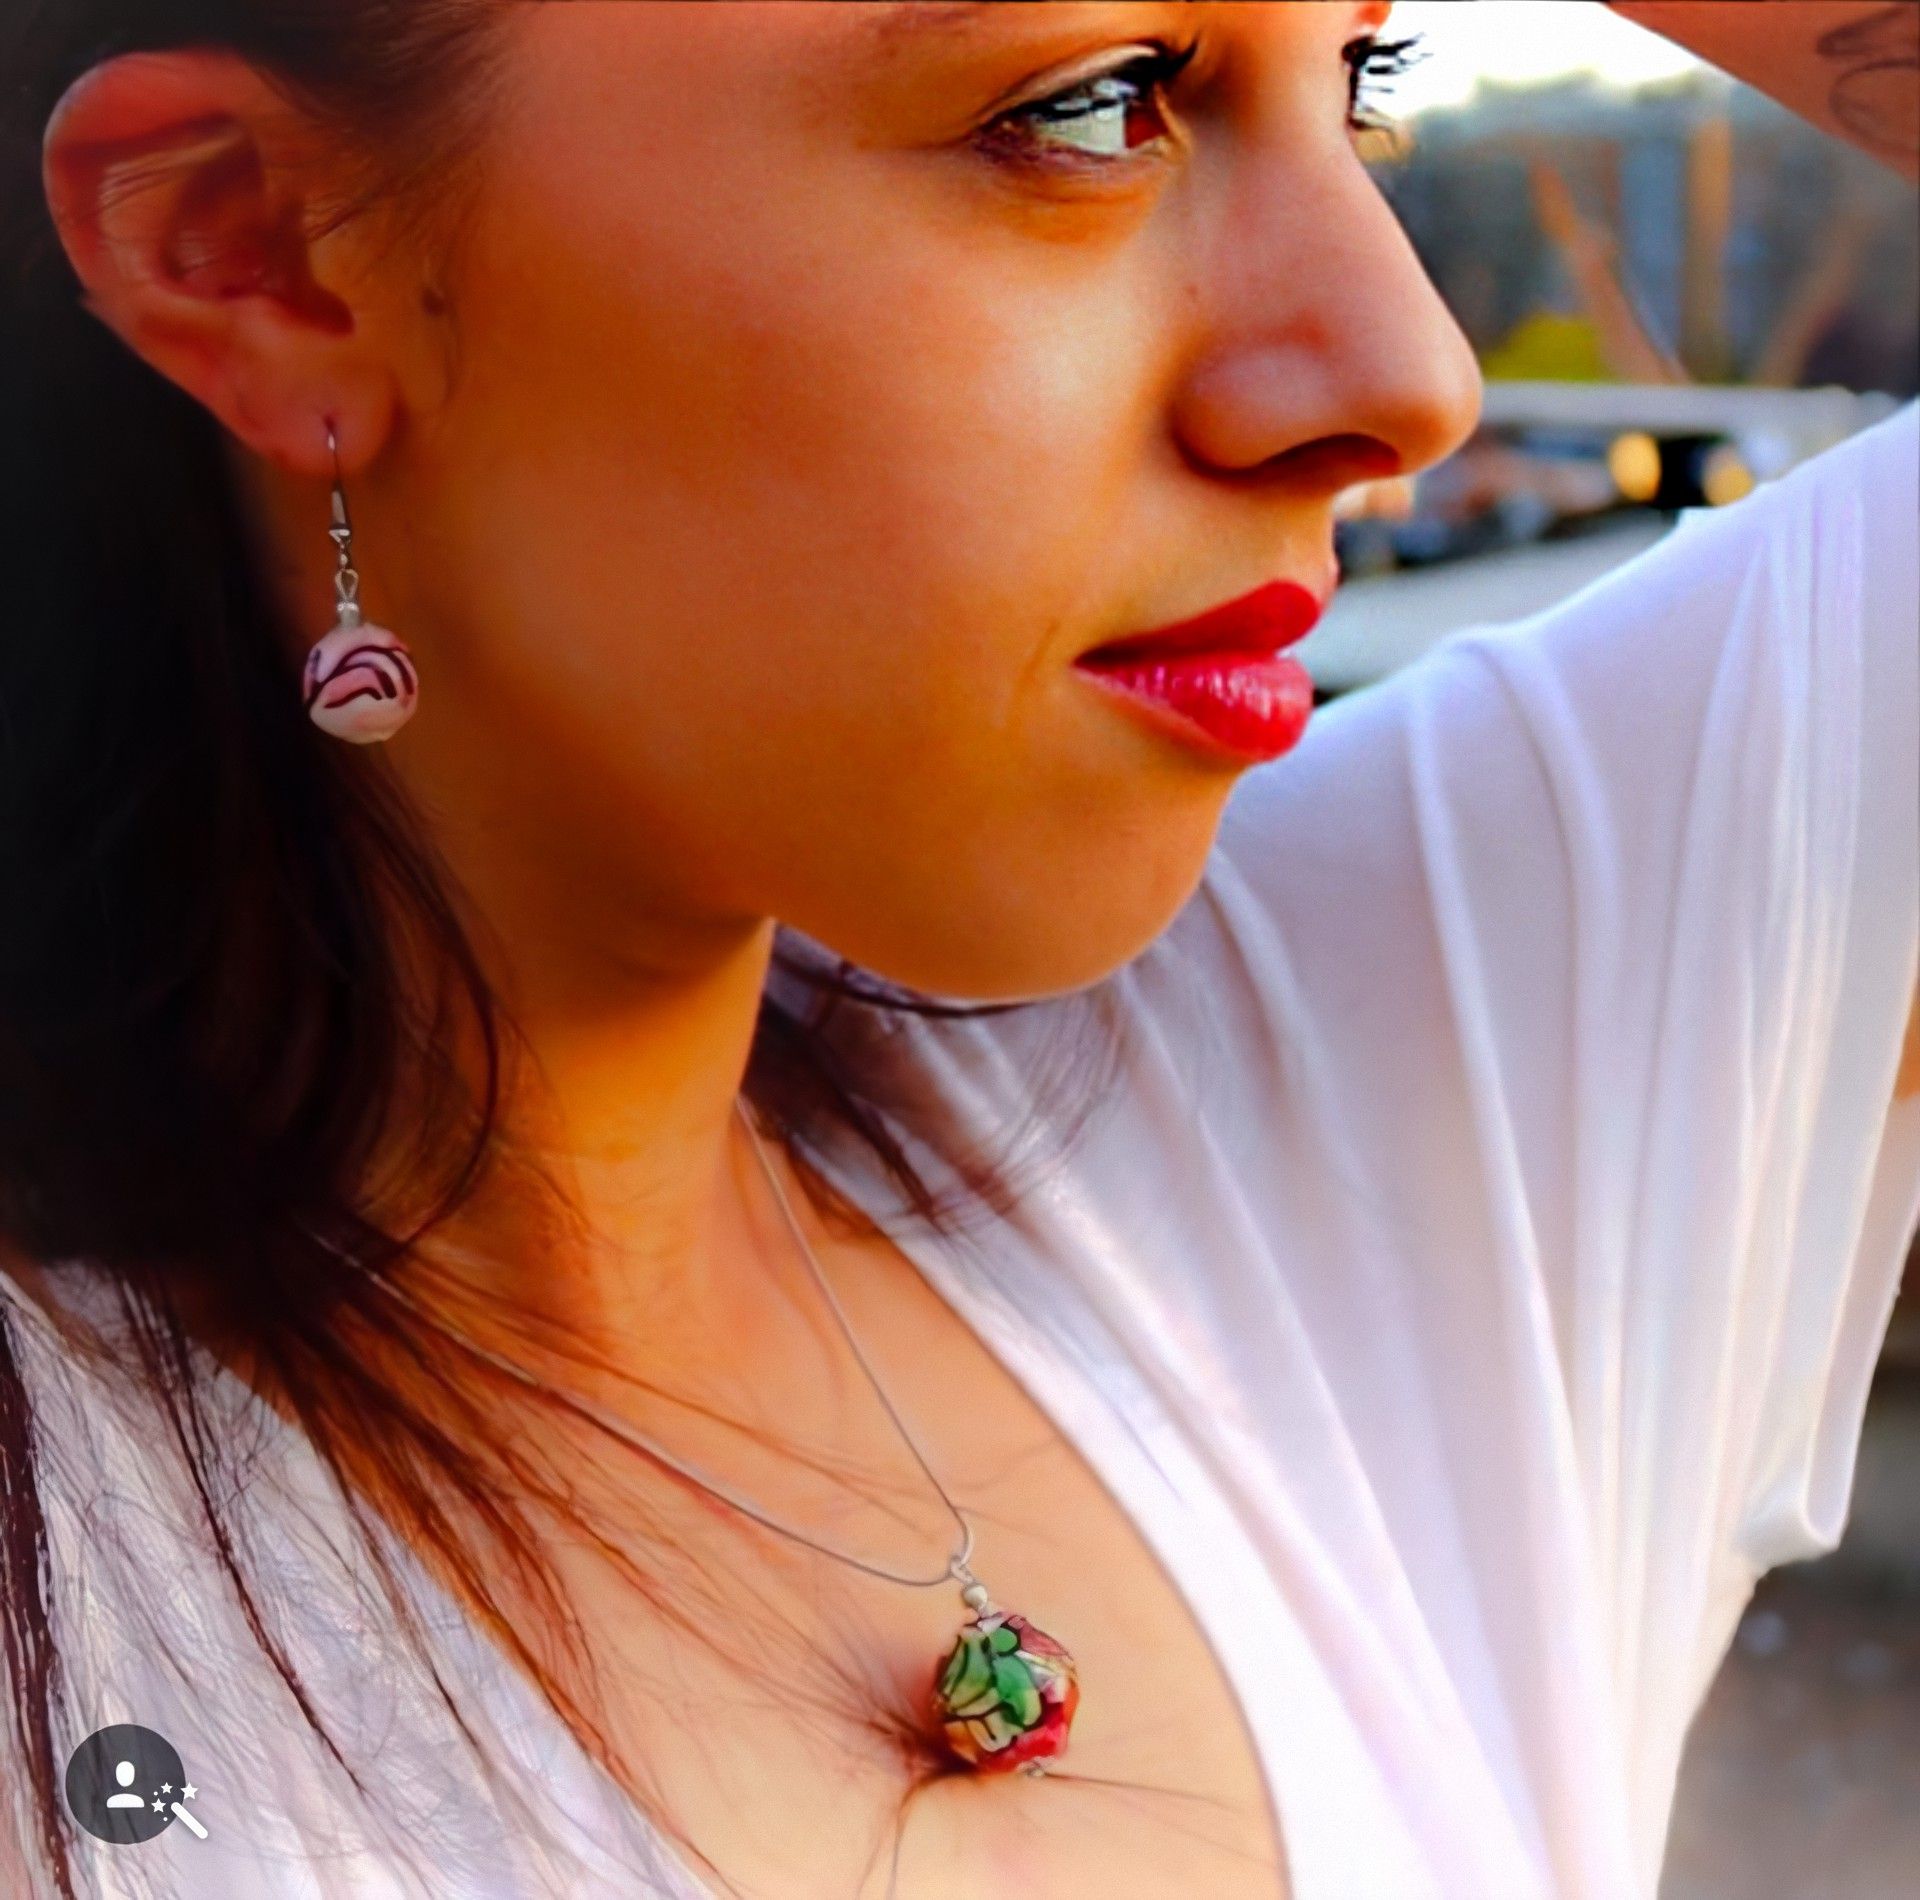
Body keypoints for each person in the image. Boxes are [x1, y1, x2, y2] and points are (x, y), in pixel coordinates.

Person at [1, 4, 1914, 1897]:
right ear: (260, 251)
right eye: (1090, 104)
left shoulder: (1413, 1070)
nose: (1410, 376)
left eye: (1363, 82)